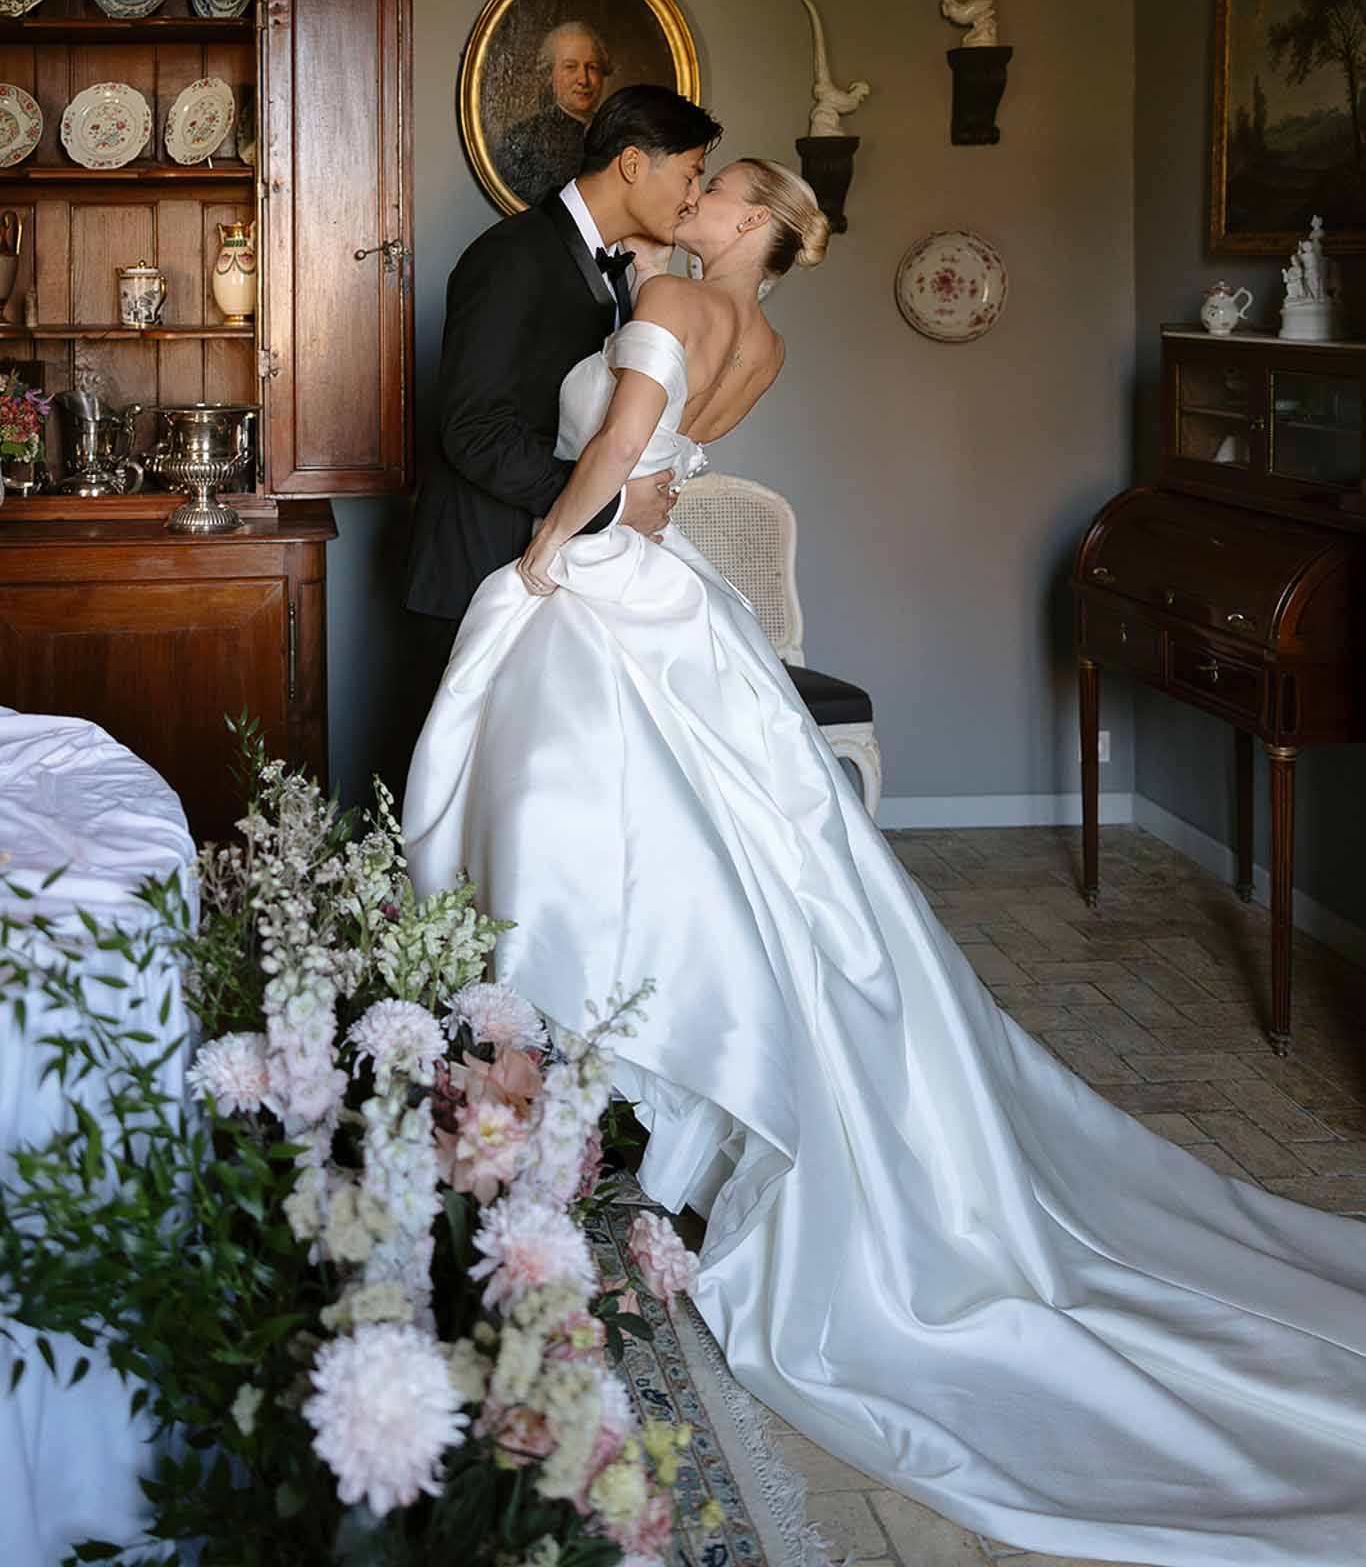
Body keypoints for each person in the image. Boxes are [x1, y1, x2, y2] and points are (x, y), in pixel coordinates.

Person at [403, 161, 1366, 1567]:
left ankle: (603, 1088)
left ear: (751, 228)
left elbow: (621, 453)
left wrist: (550, 546)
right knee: (711, 869)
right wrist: (625, 502)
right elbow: (686, 452)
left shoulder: (669, 290)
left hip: (608, 585)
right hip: (675, 600)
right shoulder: (770, 335)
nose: (696, 196)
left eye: (718, 187)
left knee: (588, 845)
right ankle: (633, 1094)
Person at [403, 83, 723, 683]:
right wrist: (613, 505)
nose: (693, 197)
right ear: (632, 163)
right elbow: (473, 431)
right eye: (690, 174)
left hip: (557, 577)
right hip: (480, 572)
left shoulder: (626, 270)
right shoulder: (512, 257)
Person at [493, 20, 613, 204]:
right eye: (570, 67)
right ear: (550, 75)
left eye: (592, 67)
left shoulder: (617, 132)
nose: (583, 79)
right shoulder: (524, 139)